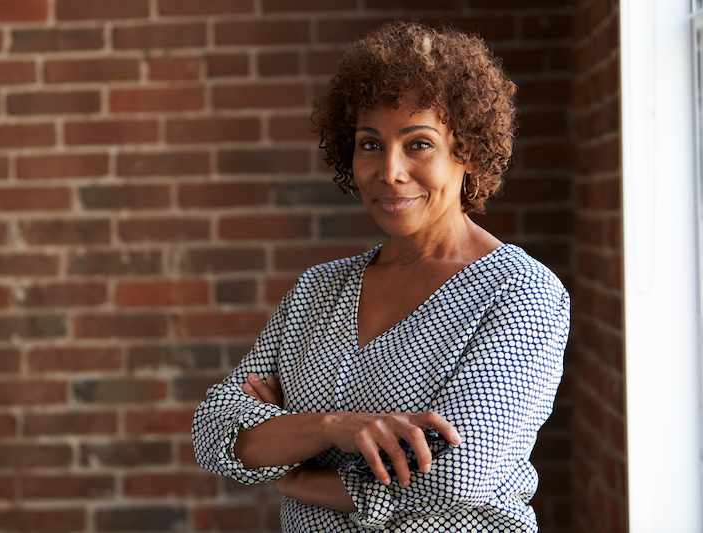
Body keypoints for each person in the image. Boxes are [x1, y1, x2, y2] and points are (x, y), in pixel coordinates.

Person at [192, 20, 570, 532]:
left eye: (418, 144)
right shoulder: (320, 290)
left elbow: (456, 473)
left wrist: (294, 471)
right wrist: (334, 427)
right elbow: (216, 433)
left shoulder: (520, 291)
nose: (389, 170)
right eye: (370, 144)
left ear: (468, 153)